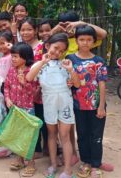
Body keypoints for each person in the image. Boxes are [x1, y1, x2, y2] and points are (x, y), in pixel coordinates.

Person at [26, 33, 80, 178]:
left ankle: (67, 169)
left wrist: (71, 71)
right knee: (51, 134)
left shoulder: (66, 65)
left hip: (65, 102)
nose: (57, 52)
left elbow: (77, 84)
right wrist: (42, 62)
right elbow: (29, 77)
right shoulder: (40, 64)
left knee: (64, 136)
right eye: (56, 48)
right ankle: (54, 164)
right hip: (48, 102)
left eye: (61, 51)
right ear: (47, 45)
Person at [66, 25, 108, 178]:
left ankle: (96, 164)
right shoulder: (70, 59)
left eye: (89, 40)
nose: (85, 42)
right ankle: (86, 162)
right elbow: (67, 80)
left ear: (94, 42)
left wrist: (101, 106)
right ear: (76, 41)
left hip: (96, 105)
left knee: (96, 135)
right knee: (82, 135)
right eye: (82, 39)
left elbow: (102, 83)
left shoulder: (99, 61)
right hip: (78, 106)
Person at [4, 42, 38, 177]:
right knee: (17, 135)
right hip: (14, 109)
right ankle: (19, 159)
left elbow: (34, 92)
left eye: (16, 56)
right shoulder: (11, 70)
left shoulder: (31, 71)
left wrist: (24, 83)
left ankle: (31, 163)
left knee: (28, 137)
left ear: (25, 57)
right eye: (12, 56)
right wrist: (7, 99)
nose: (13, 59)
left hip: (28, 109)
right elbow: (6, 86)